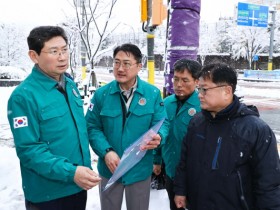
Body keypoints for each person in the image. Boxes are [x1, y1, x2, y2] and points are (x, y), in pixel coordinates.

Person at [7, 26, 101, 210]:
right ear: (34, 56)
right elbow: (29, 151)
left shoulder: (70, 85)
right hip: (48, 194)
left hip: (77, 185)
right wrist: (71, 172)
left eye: (65, 49)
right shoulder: (24, 97)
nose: (62, 57)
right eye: (54, 51)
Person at [174, 63, 280, 210]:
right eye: (199, 89)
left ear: (227, 91)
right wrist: (180, 190)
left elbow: (269, 183)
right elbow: (184, 162)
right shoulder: (197, 122)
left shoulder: (255, 130)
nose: (199, 94)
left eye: (205, 89)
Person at [85, 43, 169, 210]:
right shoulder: (102, 94)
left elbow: (163, 122)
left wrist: (159, 136)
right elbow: (92, 126)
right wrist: (106, 152)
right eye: (116, 62)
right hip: (110, 169)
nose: (120, 68)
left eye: (126, 63)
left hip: (139, 169)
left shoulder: (152, 94)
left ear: (139, 66)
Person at [153, 58, 201, 210]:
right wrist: (157, 159)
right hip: (171, 171)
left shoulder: (203, 104)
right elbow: (159, 132)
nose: (179, 85)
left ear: (196, 81)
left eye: (185, 80)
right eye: (176, 79)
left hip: (196, 174)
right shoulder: (166, 103)